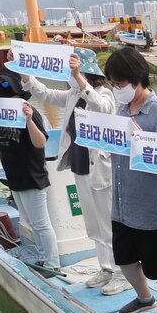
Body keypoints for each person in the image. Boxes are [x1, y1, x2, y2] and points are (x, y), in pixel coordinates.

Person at [23, 51, 126, 293]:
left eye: (75, 73)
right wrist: (26, 76)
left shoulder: (103, 93)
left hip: (101, 168)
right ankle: (106, 268)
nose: (69, 78)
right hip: (80, 165)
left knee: (109, 223)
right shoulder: (71, 95)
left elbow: (102, 109)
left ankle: (122, 272)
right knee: (92, 223)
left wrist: (80, 79)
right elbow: (45, 94)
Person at [103, 45, 157, 313]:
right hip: (123, 201)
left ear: (137, 78)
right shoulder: (122, 108)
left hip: (151, 206)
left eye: (119, 83)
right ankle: (145, 297)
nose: (116, 89)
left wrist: (144, 141)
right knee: (123, 257)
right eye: (112, 84)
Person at [0, 67, 59, 272]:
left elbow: (40, 142)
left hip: (32, 176)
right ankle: (43, 258)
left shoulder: (31, 114)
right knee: (31, 221)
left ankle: (53, 264)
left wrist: (29, 120)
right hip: (14, 176)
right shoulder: (2, 116)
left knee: (41, 223)